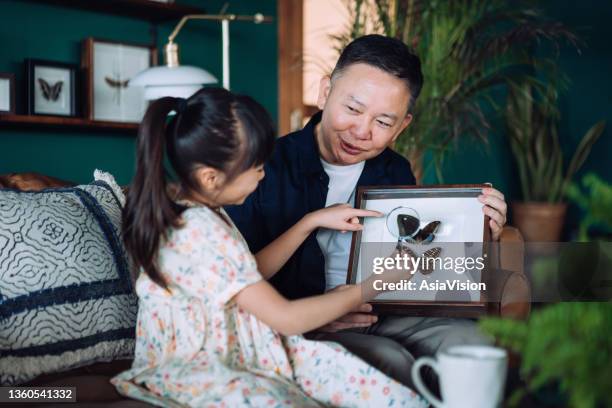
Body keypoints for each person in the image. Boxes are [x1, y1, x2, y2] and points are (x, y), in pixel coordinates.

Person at [112, 87, 428, 407]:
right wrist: (374, 285)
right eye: (257, 167)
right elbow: (287, 319)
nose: (263, 176)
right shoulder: (198, 231)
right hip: (201, 366)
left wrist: (311, 221)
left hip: (245, 349)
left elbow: (249, 270)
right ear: (210, 178)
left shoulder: (197, 210)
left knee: (377, 389)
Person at [226, 34, 508, 387]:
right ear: (325, 92)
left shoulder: (396, 172)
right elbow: (233, 282)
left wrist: (480, 234)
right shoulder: (263, 167)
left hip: (385, 311)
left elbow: (420, 263)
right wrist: (318, 313)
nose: (361, 131)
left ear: (402, 125)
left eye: (383, 122)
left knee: (472, 344)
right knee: (389, 360)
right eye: (353, 109)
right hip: (299, 319)